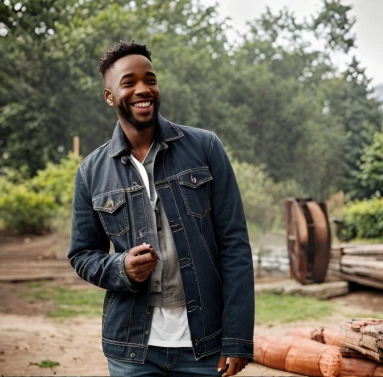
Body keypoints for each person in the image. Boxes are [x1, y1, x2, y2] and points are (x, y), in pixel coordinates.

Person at [68, 40, 254, 377]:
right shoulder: (91, 171)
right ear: (110, 96)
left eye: (150, 80)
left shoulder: (205, 147)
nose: (143, 89)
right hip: (131, 350)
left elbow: (234, 244)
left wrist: (238, 337)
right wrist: (121, 268)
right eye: (129, 82)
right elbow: (82, 254)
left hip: (204, 348)